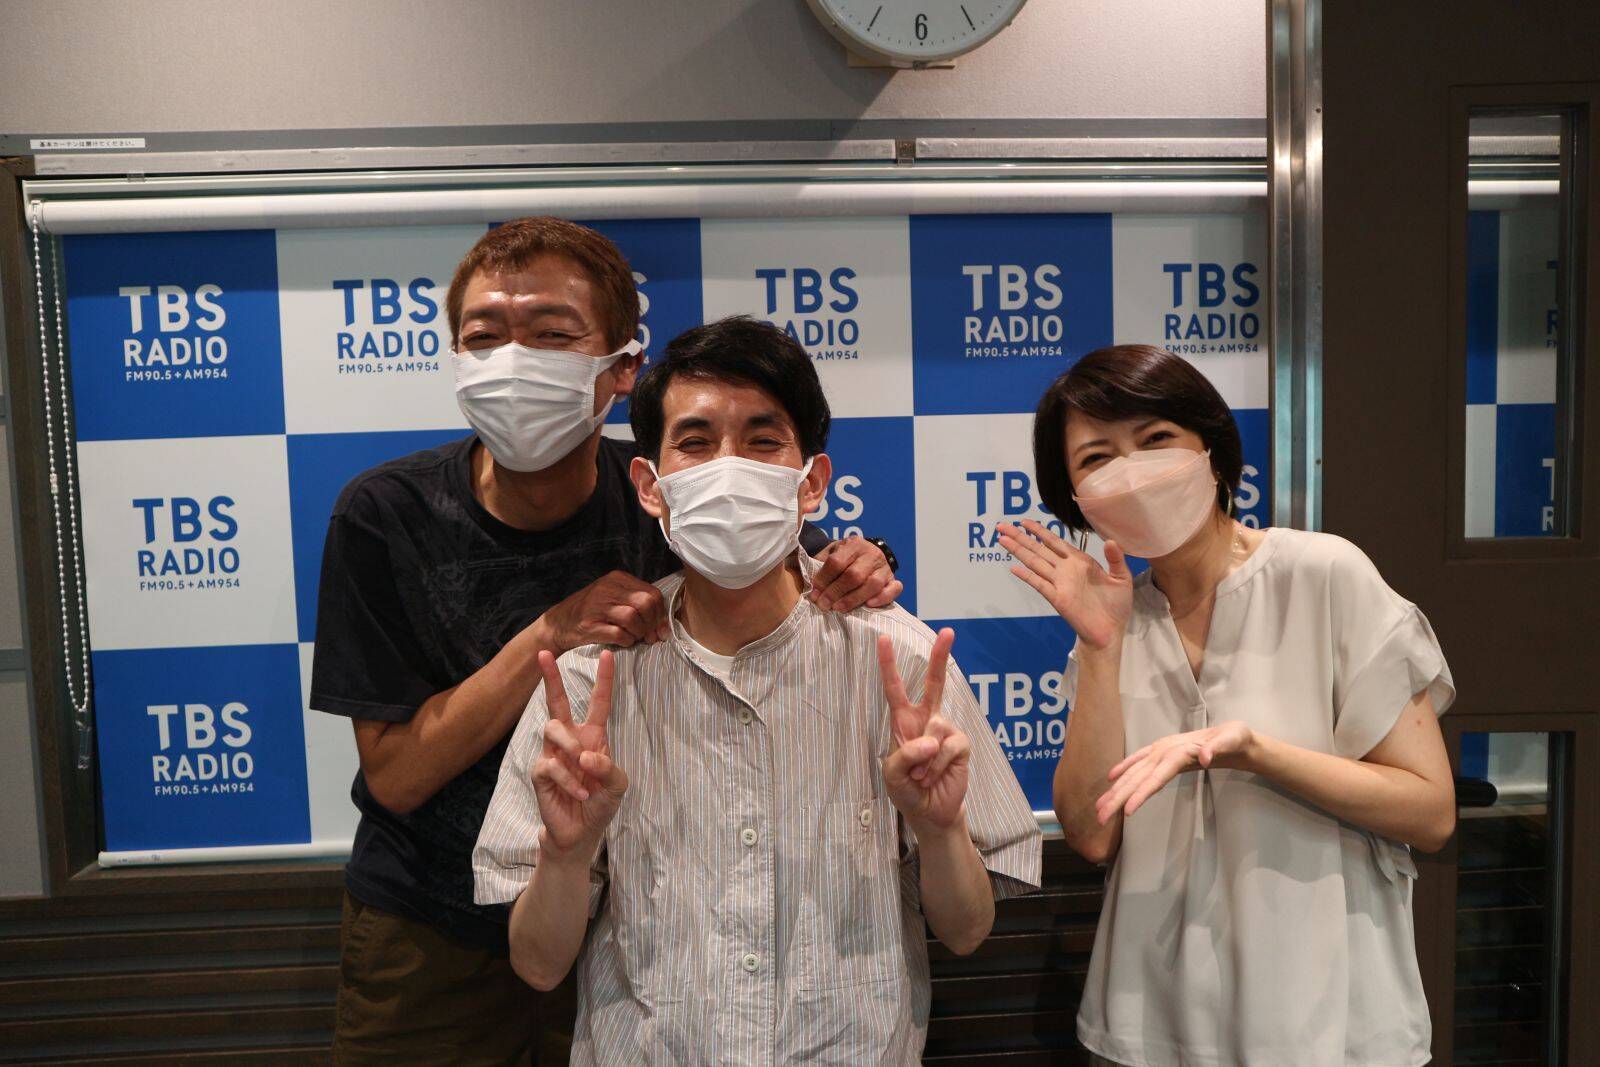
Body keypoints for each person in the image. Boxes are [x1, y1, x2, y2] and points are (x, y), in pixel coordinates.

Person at [310, 219, 901, 1065]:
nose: (515, 360)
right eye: (485, 336)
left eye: (552, 334)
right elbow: (396, 777)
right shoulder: (385, 514)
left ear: (623, 368)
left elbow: (789, 559)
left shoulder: (676, 490)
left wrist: (866, 558)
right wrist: (552, 630)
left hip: (618, 926)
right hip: (428, 927)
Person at [472, 315, 1042, 1064]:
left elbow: (967, 931)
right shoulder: (588, 682)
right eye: (696, 441)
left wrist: (937, 830)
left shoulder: (902, 664)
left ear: (812, 483)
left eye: (763, 440)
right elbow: (538, 964)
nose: (728, 467)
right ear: (650, 486)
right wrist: (567, 854)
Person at [999, 344, 1456, 1067]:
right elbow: (1091, 835)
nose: (1131, 471)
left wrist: (1253, 750)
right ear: (1076, 498)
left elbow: (1430, 812)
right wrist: (1100, 646)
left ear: (1211, 450)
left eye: (1156, 439)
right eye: (1096, 458)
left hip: (1330, 1025)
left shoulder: (1324, 574)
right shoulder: (1112, 621)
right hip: (1149, 1022)